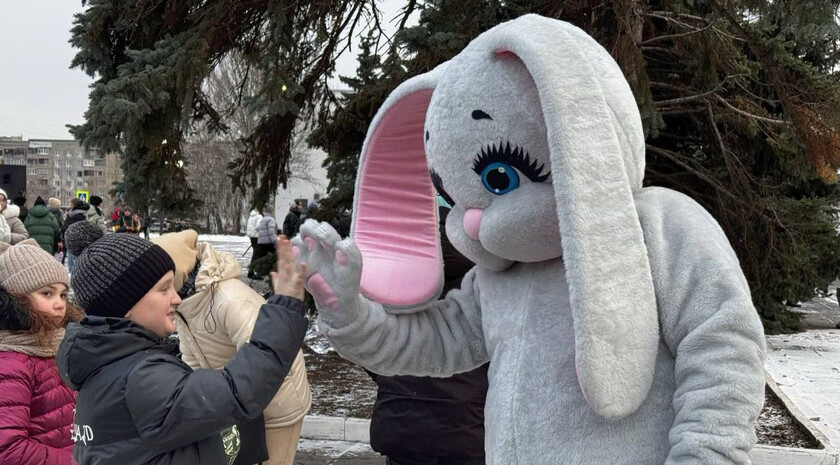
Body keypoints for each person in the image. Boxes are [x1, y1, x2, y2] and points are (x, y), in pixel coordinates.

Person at [57, 224, 308, 465]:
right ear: (126, 305)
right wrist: (284, 310)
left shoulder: (111, 365)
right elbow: (236, 391)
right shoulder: (138, 380)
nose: (177, 298)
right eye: (164, 288)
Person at [154, 230, 311, 465]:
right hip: (240, 401)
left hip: (276, 404)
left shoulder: (230, 301)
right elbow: (191, 358)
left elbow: (267, 357)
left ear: (179, 273)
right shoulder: (186, 305)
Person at [368, 200, 488, 465]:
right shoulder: (488, 280)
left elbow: (369, 345)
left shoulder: (392, 282)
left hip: (401, 421)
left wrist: (394, 379)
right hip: (469, 425)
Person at [0, 239, 82, 465]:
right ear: (17, 299)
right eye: (47, 293)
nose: (59, 304)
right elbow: (8, 449)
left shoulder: (53, 344)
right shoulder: (11, 363)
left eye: (63, 294)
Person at [60, 198, 90, 272]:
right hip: (81, 237)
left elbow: (68, 225)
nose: (70, 205)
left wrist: (63, 232)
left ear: (74, 204)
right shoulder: (83, 213)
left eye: (71, 204)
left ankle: (73, 272)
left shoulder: (75, 214)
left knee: (71, 256)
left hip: (73, 237)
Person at [252, 205, 278, 275]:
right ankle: (273, 273)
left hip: (261, 242)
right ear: (271, 211)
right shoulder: (271, 220)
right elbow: (271, 232)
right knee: (274, 258)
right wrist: (275, 242)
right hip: (268, 242)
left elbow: (258, 228)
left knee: (262, 258)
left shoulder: (263, 219)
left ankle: (258, 273)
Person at [246, 209, 263, 279]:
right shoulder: (259, 216)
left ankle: (251, 271)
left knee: (255, 253)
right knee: (257, 254)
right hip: (256, 236)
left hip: (252, 236)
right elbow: (258, 226)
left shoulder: (252, 216)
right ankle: (253, 271)